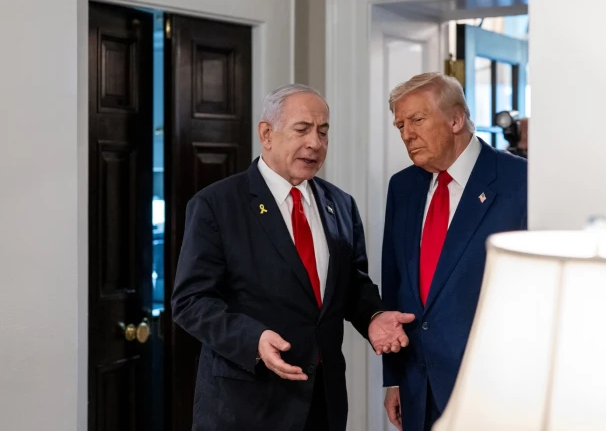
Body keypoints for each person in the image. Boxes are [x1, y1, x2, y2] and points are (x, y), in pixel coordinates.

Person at [171, 84, 415, 431]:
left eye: (323, 132)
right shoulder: (216, 205)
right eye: (302, 129)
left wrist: (373, 316)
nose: (315, 143)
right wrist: (253, 340)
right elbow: (190, 301)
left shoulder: (341, 204)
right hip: (246, 405)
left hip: (323, 403)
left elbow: (351, 286)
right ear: (266, 134)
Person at [381, 73, 527, 431]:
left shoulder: (521, 182)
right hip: (418, 387)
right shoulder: (402, 187)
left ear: (456, 120)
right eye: (400, 125)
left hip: (492, 390)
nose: (406, 134)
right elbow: (394, 285)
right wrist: (395, 378)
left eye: (417, 120)